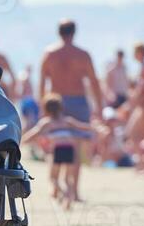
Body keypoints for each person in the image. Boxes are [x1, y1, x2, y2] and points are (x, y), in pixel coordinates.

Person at [39, 20, 104, 199]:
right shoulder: (82, 55)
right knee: (75, 148)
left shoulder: (49, 53)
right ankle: (73, 191)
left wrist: (42, 107)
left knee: (56, 145)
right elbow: (94, 81)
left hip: (56, 102)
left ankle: (56, 184)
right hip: (78, 100)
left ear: (58, 32)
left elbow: (42, 82)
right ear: (74, 32)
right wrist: (99, 107)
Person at [22, 93, 94, 206]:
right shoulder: (67, 120)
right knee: (67, 178)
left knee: (53, 178)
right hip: (70, 149)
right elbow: (82, 126)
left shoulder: (47, 122)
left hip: (57, 149)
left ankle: (63, 193)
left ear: (45, 109)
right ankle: (68, 199)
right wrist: (95, 127)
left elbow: (34, 133)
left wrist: (21, 141)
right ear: (61, 107)